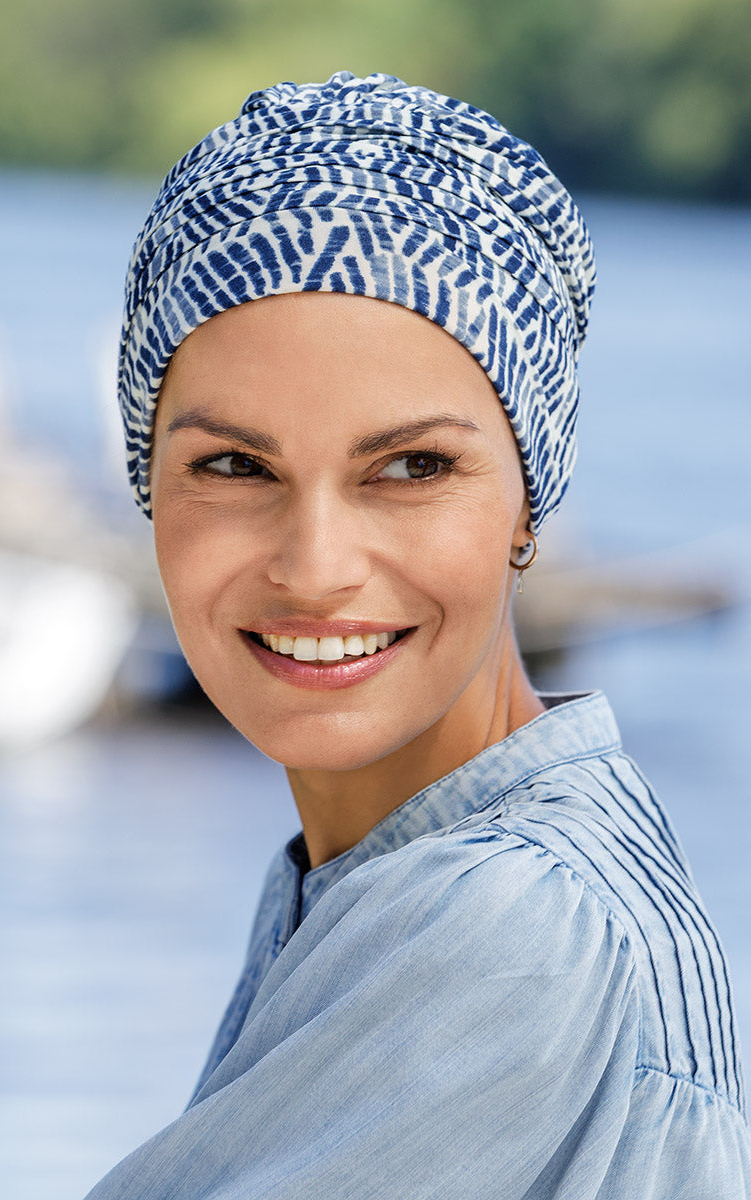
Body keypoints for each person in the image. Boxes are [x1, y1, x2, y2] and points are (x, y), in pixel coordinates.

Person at [85, 72, 751, 1197]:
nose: (315, 565)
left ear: (530, 502)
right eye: (234, 466)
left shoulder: (511, 924)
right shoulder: (380, 873)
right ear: (151, 489)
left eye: (410, 468)